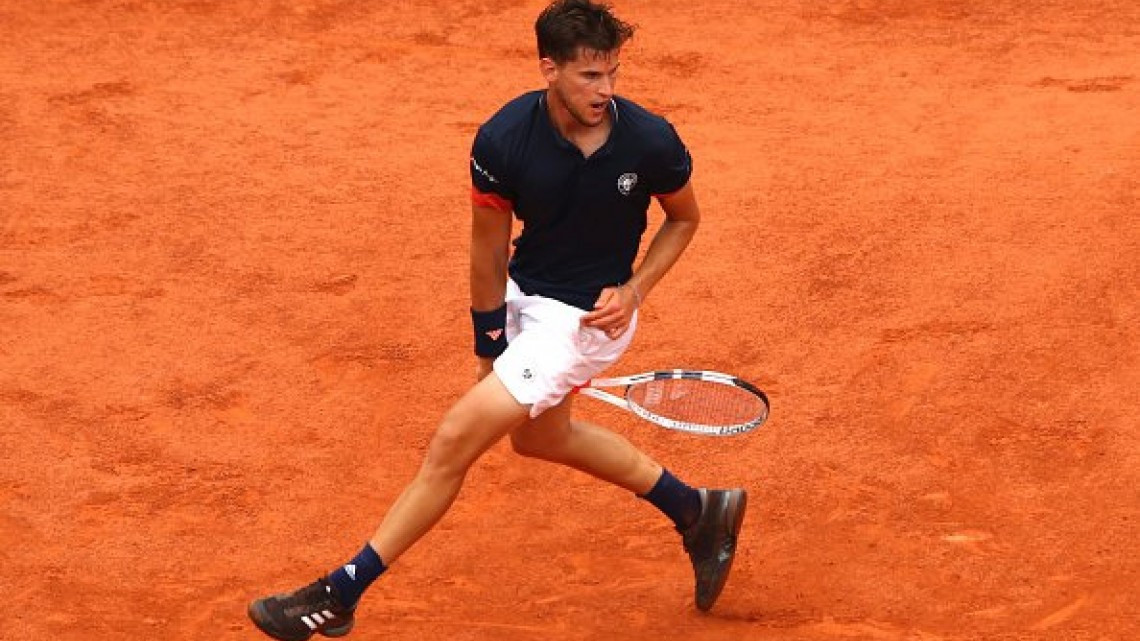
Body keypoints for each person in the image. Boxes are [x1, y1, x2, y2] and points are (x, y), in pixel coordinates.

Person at [248, 2, 746, 639]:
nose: (606, 91)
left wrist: (636, 288)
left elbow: (685, 218)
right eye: (590, 76)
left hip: (587, 323)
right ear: (550, 69)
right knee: (539, 437)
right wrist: (489, 348)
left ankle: (339, 593)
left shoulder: (649, 140)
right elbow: (487, 250)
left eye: (613, 74)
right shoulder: (504, 140)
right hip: (526, 299)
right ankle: (698, 509)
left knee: (453, 440)